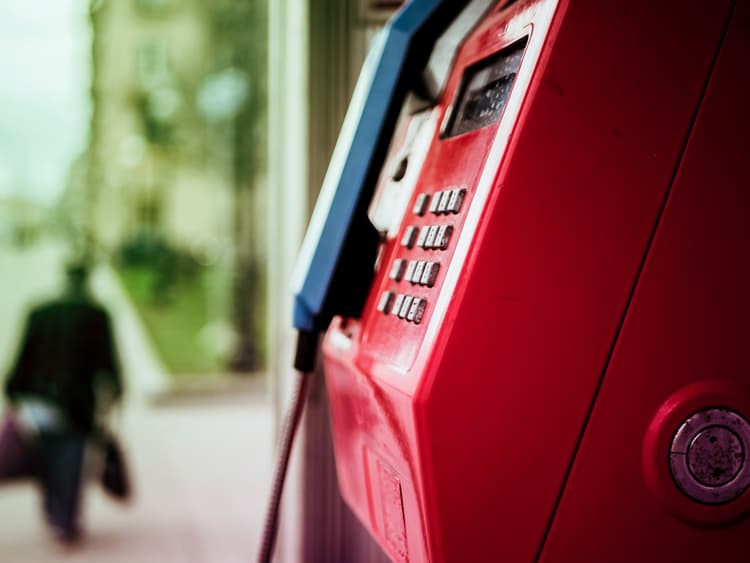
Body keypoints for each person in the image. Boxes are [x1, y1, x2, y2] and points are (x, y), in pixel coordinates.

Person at [3, 260, 123, 544]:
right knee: (70, 462)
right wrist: (117, 391)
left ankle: (52, 510)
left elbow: (24, 354)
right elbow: (108, 359)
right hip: (77, 405)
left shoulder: (40, 311)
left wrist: (13, 391)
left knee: (47, 457)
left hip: (40, 401)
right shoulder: (96, 314)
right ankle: (65, 518)